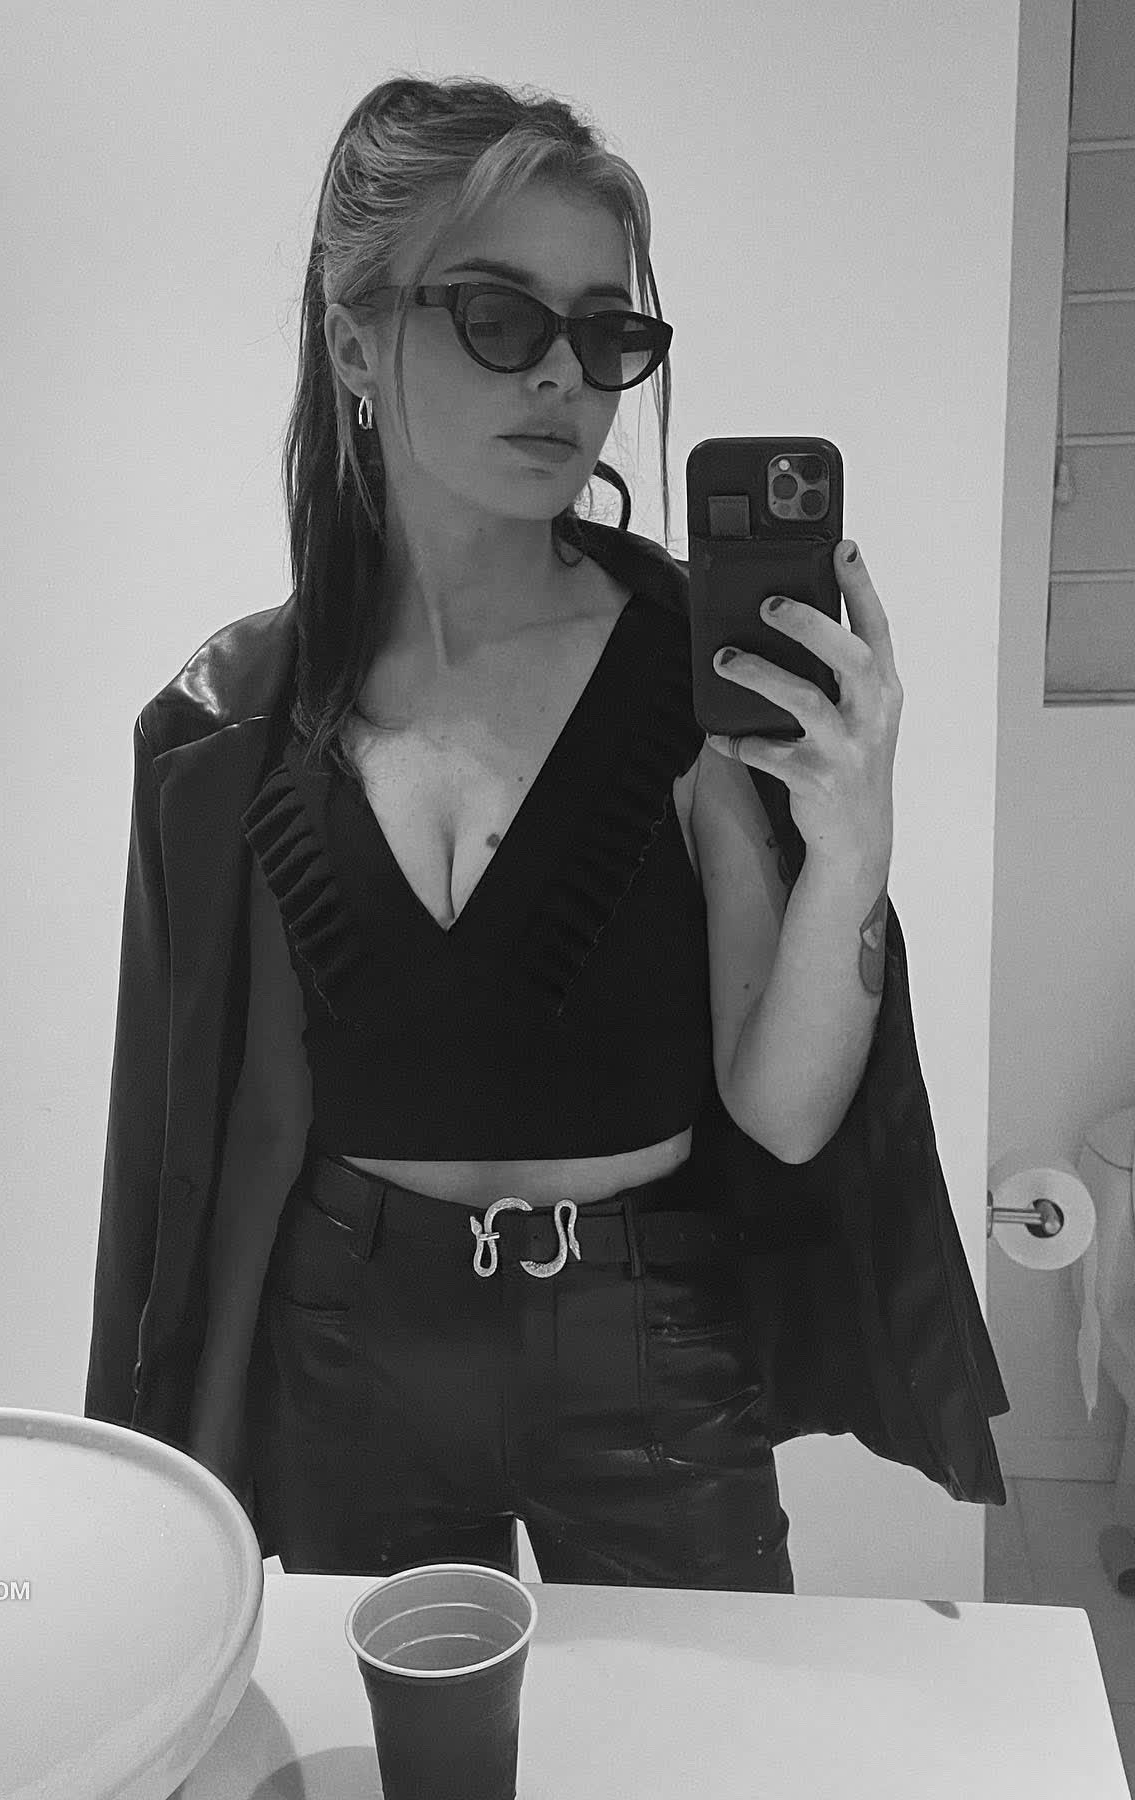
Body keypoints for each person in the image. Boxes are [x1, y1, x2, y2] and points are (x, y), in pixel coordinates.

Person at [84, 74, 1009, 1595]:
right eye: (499, 317)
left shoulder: (681, 670)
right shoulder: (234, 723)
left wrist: (852, 839)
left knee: (697, 1718)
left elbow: (783, 1115)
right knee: (382, 1723)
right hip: (346, 1336)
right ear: (353, 341)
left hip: (642, 1338)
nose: (566, 377)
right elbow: (183, 1156)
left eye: (606, 331)